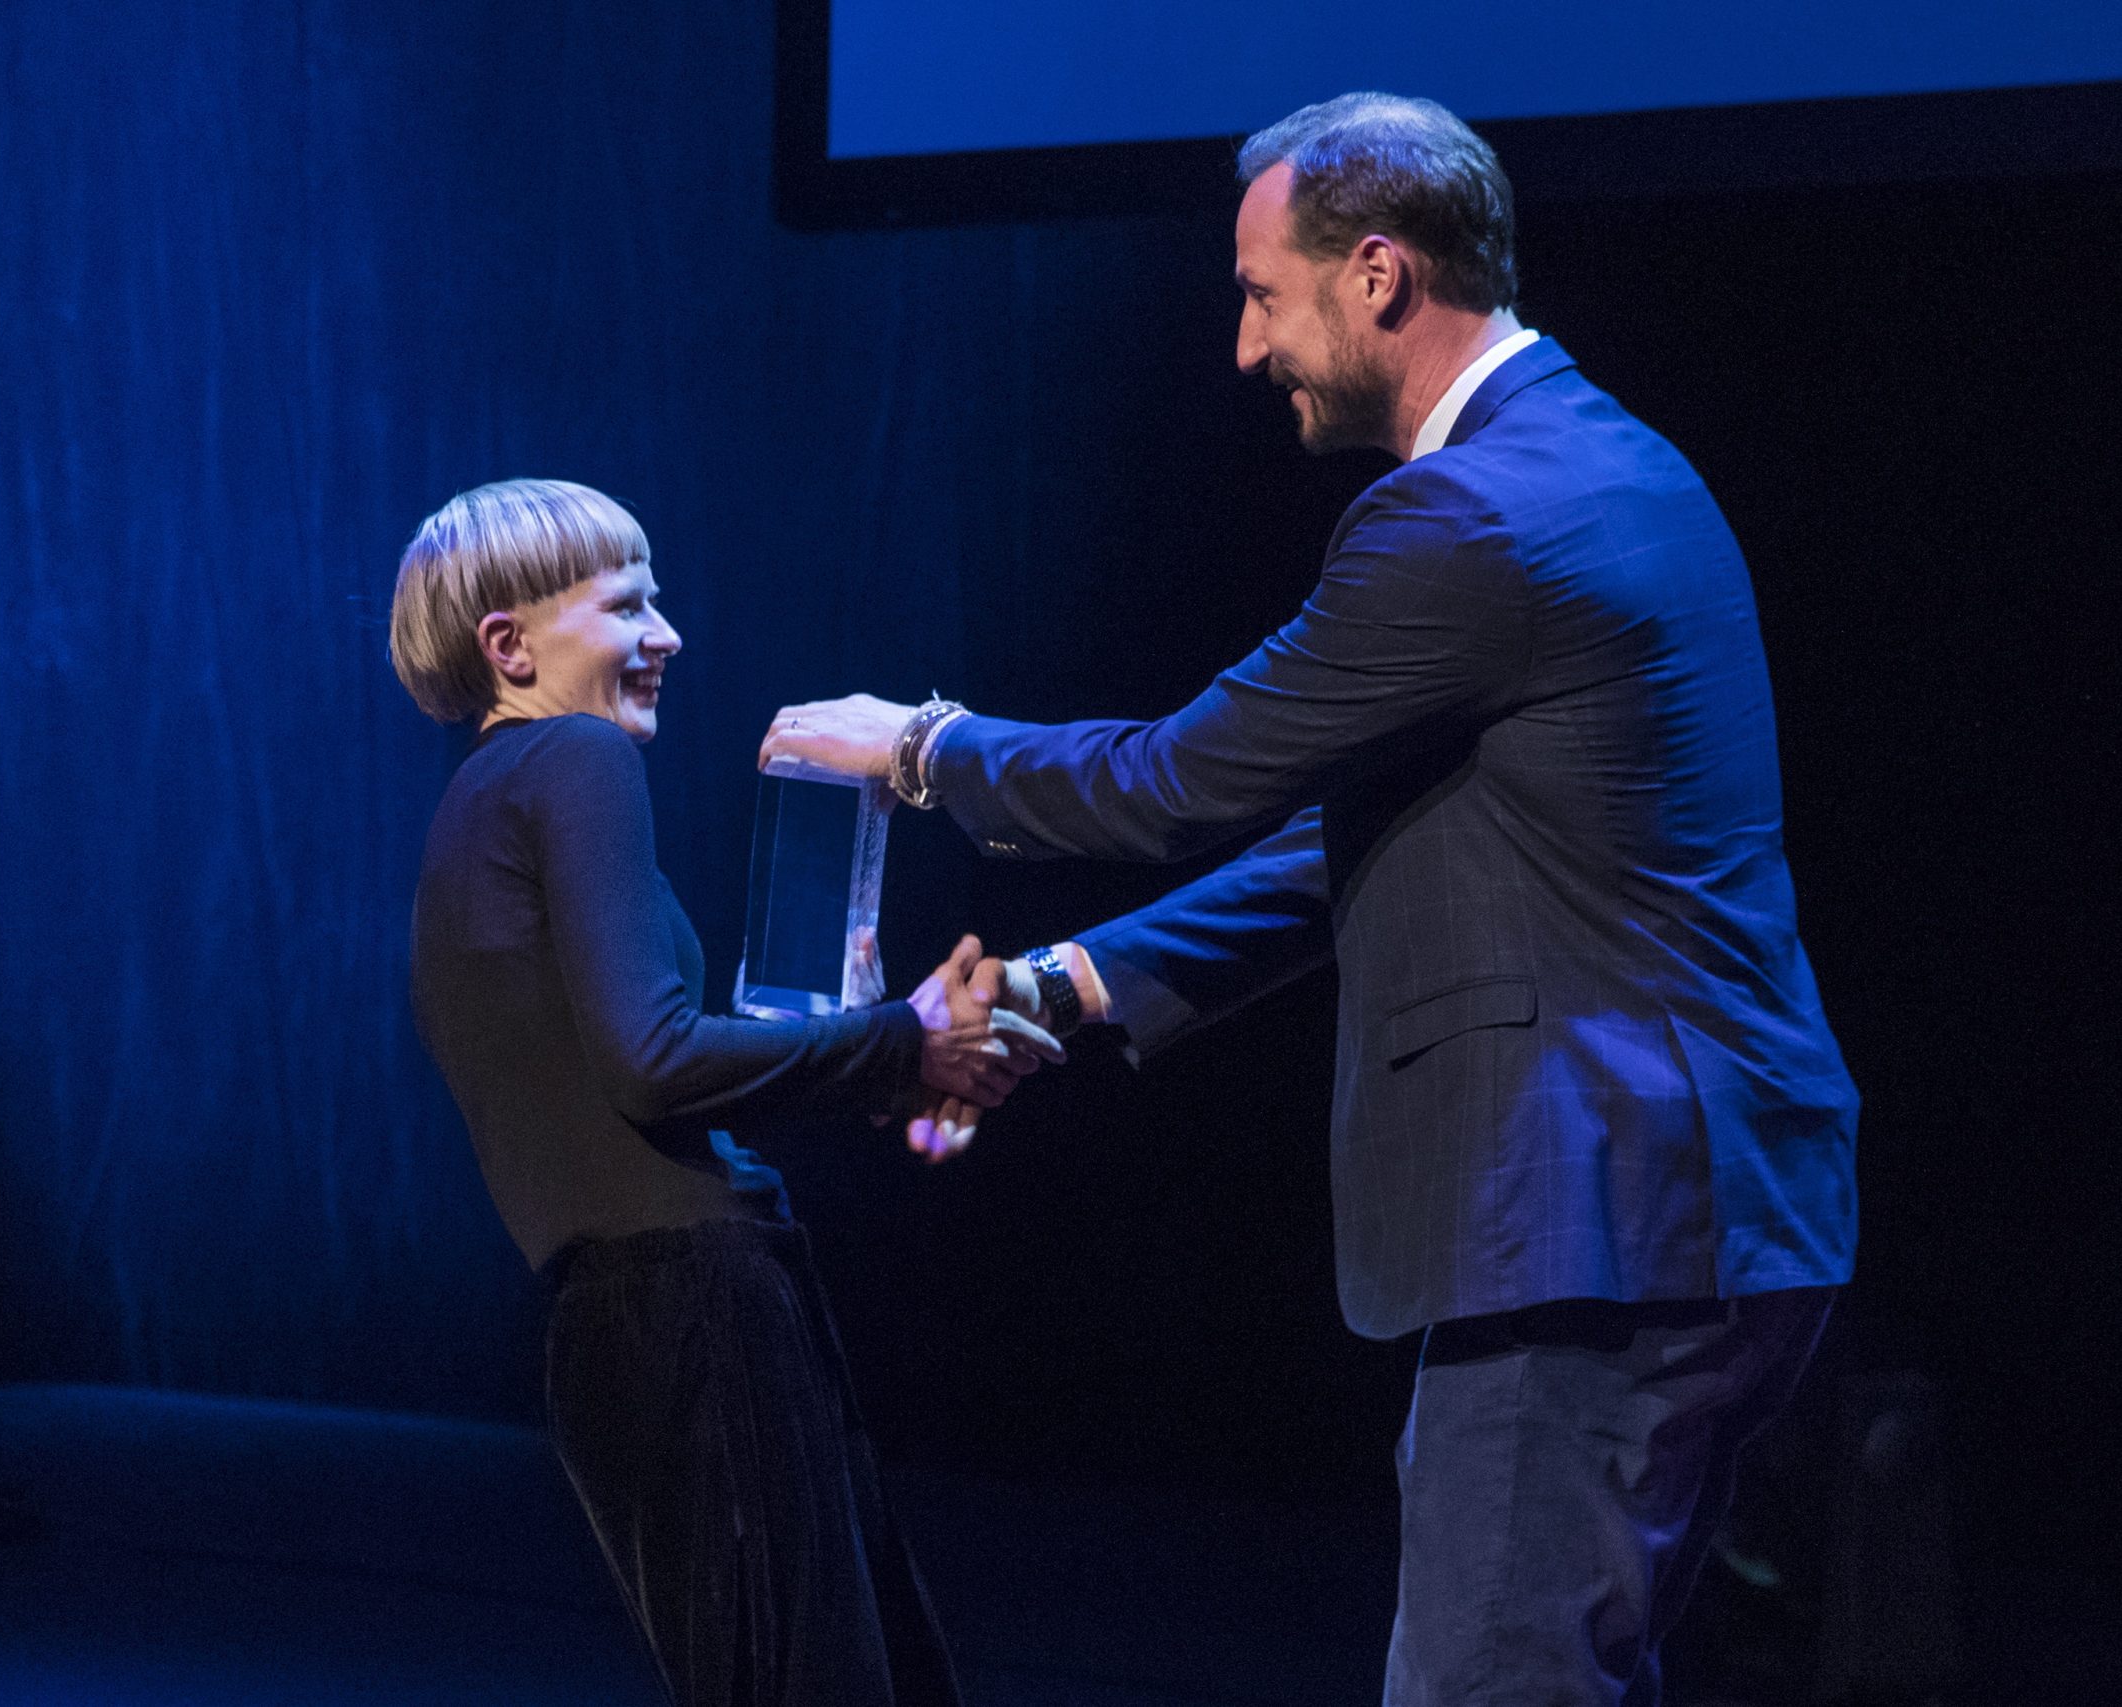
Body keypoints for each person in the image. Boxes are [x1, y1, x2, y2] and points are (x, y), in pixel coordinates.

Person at [760, 94, 1859, 1707]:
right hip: (1688, 1208)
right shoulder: (1599, 459)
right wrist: (1063, 995)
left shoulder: (1469, 515)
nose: (1242, 345)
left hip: (1600, 1216)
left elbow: (1176, 780)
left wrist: (921, 746)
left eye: (1264, 293)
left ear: (1378, 274)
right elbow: (1360, 835)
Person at [392, 478, 1055, 1707]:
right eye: (629, 604)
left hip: (619, 1328)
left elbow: (621, 1075)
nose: (669, 635)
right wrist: (897, 1042)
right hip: (695, 1312)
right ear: (510, 644)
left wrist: (872, 1053)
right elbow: (653, 1060)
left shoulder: (469, 817)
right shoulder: (573, 756)